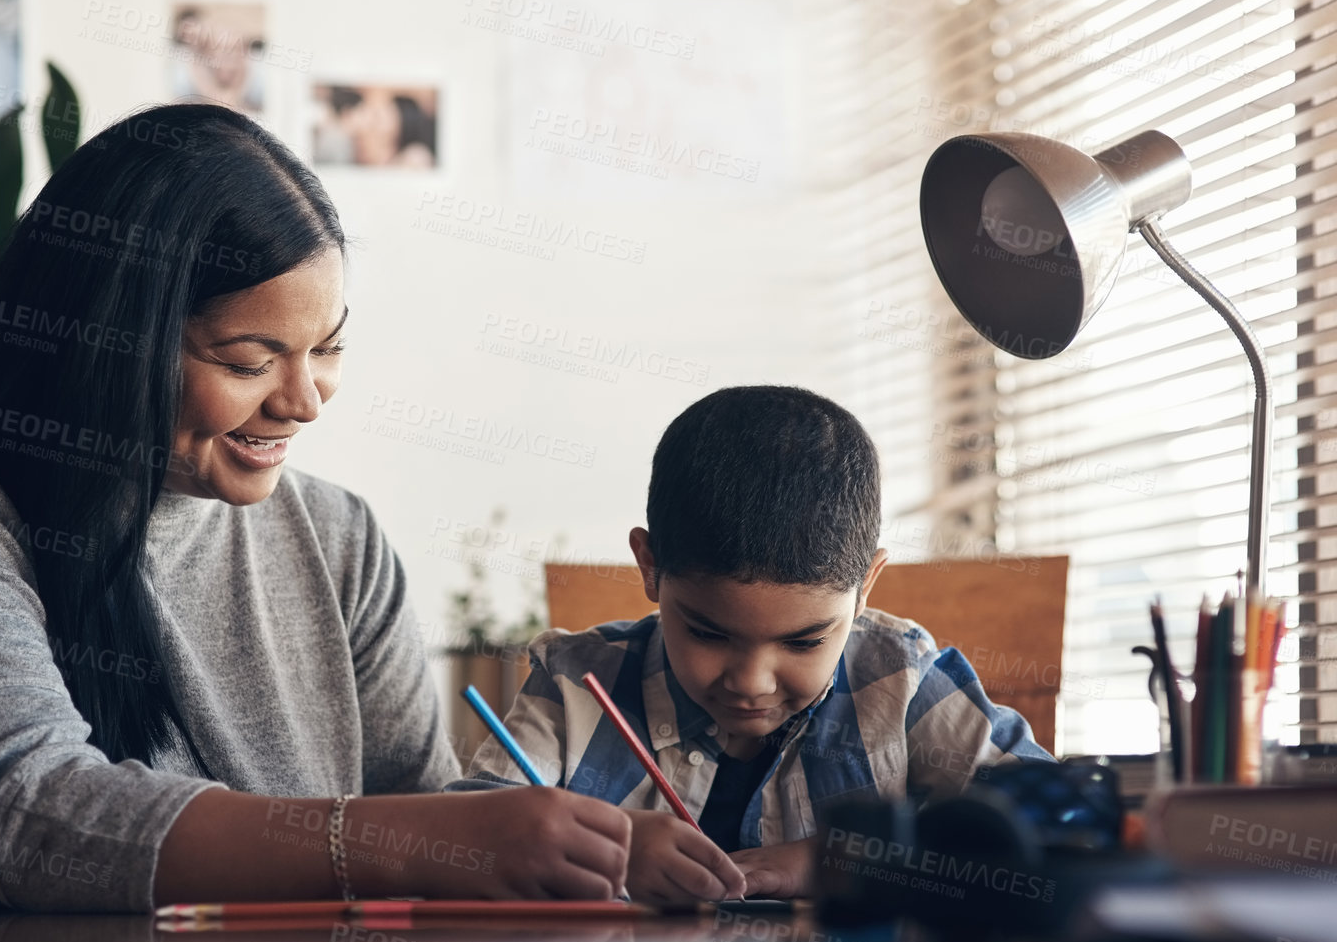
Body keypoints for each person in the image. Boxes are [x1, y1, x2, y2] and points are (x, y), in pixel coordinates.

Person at [0, 103, 632, 926]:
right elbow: (27, 818)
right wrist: (413, 844)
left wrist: (581, 855)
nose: (305, 401)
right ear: (108, 343)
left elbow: (422, 815)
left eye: (327, 350)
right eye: (252, 359)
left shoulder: (340, 544)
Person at [451, 385, 1053, 904]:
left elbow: (1048, 825)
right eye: (709, 632)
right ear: (650, 566)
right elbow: (459, 848)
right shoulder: (573, 684)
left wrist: (844, 860)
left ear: (865, 587)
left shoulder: (900, 682)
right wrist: (608, 848)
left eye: (805, 640)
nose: (751, 681)